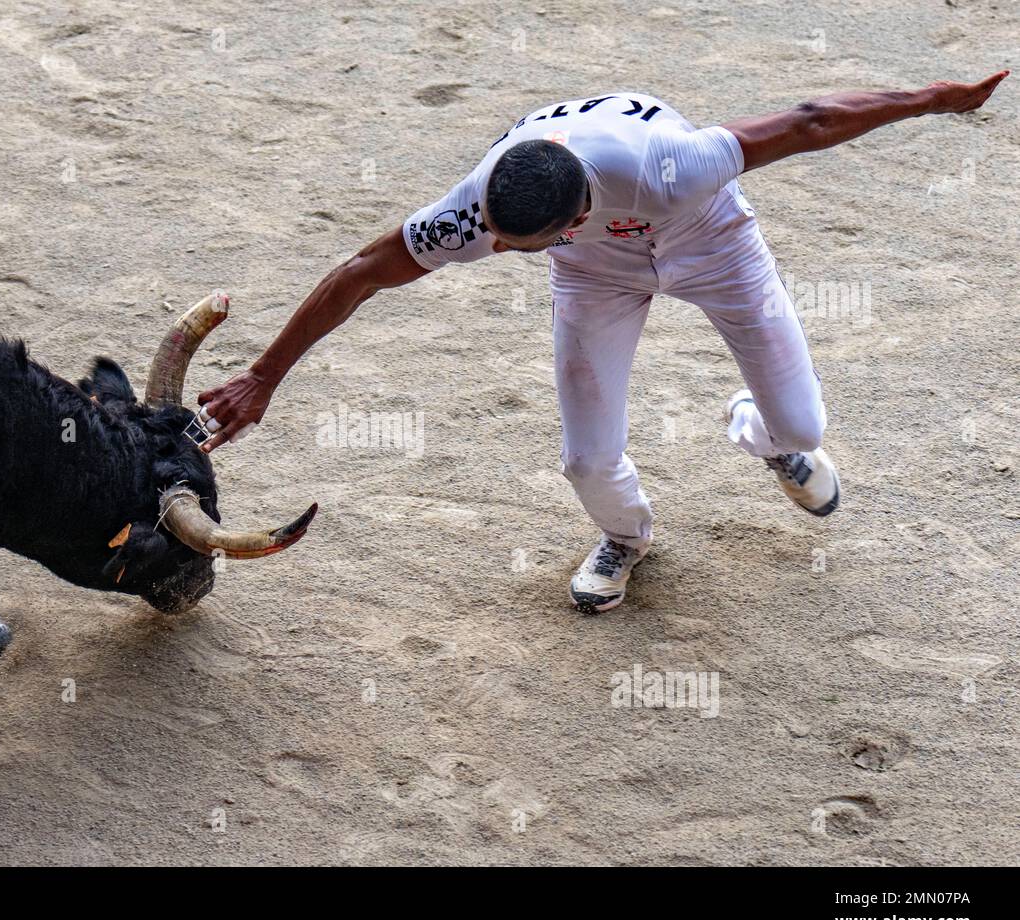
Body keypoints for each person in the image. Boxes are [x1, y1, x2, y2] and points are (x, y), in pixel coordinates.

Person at [195, 72, 1008, 613]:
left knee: (803, 427)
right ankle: (627, 537)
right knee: (585, 459)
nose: (501, 253)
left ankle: (763, 439)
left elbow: (810, 122)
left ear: (575, 214)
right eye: (500, 241)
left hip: (711, 245)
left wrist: (937, 98)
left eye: (524, 245)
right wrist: (265, 376)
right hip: (594, 275)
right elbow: (363, 270)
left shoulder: (668, 168)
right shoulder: (482, 207)